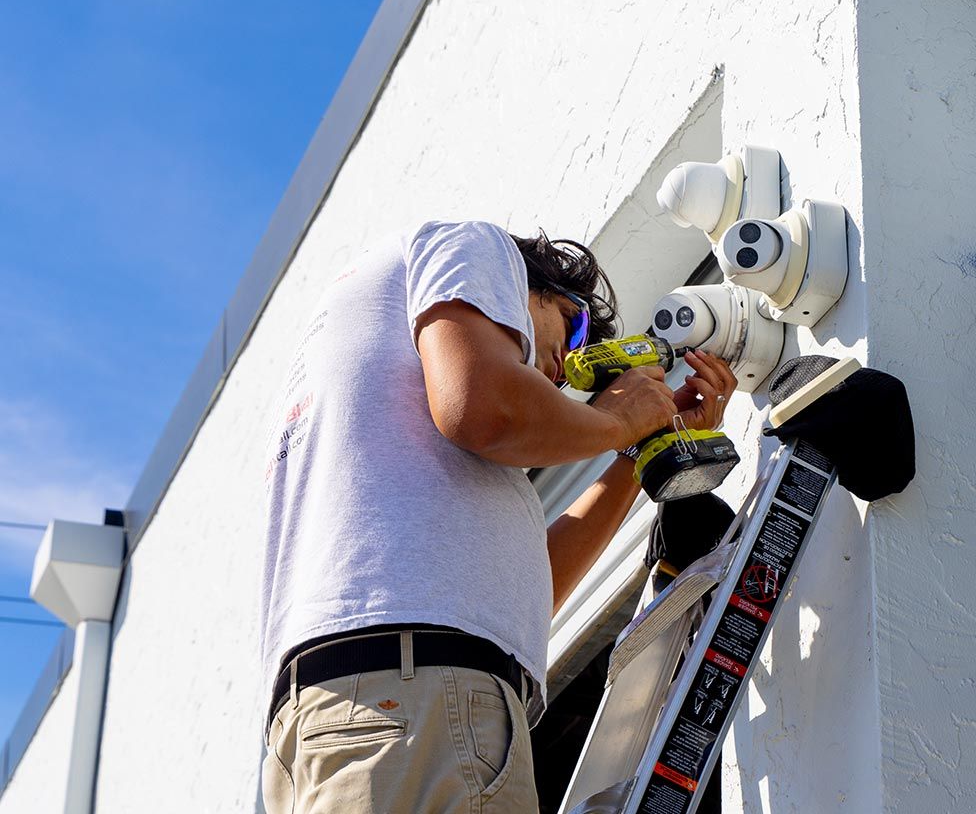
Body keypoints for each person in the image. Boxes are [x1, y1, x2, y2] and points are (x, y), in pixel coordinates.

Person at [259, 219, 737, 813]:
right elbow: (480, 410)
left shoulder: (386, 458)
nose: (565, 368)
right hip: (414, 696)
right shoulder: (471, 244)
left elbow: (527, 598)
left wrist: (635, 454)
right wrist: (620, 419)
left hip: (364, 709)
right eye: (574, 325)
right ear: (535, 284)